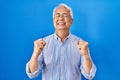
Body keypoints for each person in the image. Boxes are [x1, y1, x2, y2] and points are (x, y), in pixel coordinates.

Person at [26, 3, 96, 80]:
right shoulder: (43, 43)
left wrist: (85, 55)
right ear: (53, 21)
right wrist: (35, 53)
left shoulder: (80, 44)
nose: (61, 18)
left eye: (65, 15)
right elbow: (32, 73)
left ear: (71, 21)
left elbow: (90, 74)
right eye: (57, 15)